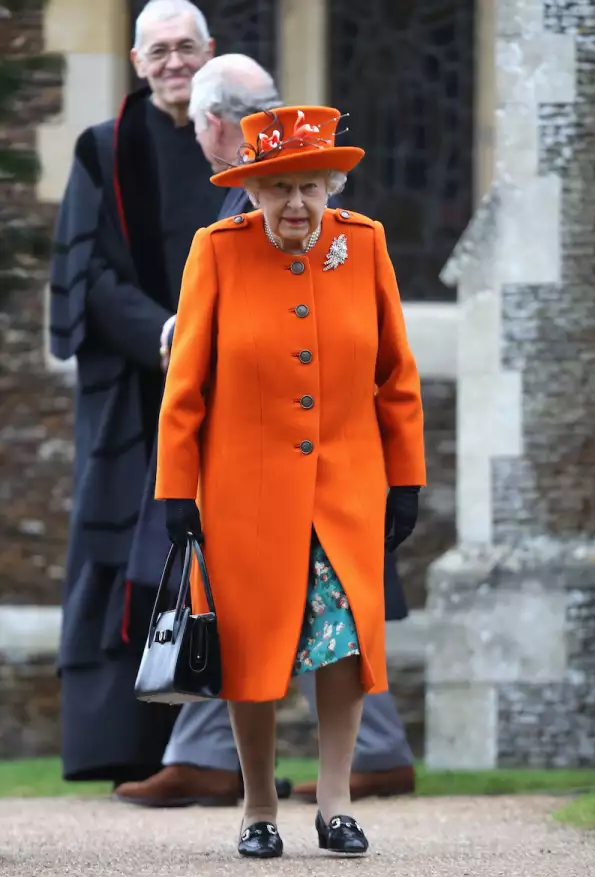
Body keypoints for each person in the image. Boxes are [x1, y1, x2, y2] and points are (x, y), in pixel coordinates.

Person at [114, 55, 419, 810]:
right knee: (253, 653)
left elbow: (396, 376)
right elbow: (184, 389)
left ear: (330, 188)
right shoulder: (217, 253)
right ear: (252, 190)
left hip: (346, 491)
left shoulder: (367, 245)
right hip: (245, 496)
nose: (296, 203)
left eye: (310, 187)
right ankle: (257, 804)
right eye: (280, 186)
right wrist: (176, 492)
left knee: (345, 644)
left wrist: (406, 479)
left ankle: (338, 803)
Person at [48, 0, 223, 785]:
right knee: (118, 546)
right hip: (133, 389)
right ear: (135, 59)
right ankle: (116, 743)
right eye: (160, 50)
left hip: (225, 386)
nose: (174, 61)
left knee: (213, 554)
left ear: (210, 51)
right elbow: (88, 275)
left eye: (188, 47)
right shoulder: (102, 148)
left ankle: (206, 748)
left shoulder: (239, 147)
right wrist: (166, 333)